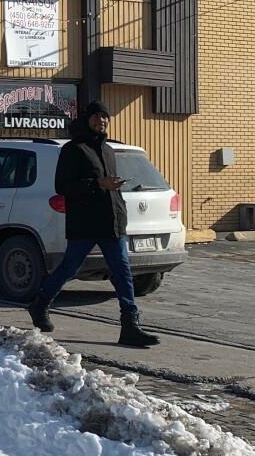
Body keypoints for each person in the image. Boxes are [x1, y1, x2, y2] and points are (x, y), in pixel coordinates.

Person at [27, 100, 158, 348]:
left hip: (112, 221)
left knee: (122, 272)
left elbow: (108, 184)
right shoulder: (73, 149)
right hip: (86, 223)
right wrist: (98, 184)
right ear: (87, 119)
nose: (102, 121)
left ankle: (130, 326)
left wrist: (114, 192)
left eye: (105, 117)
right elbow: (62, 187)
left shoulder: (108, 149)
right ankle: (40, 303)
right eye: (97, 117)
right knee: (70, 268)